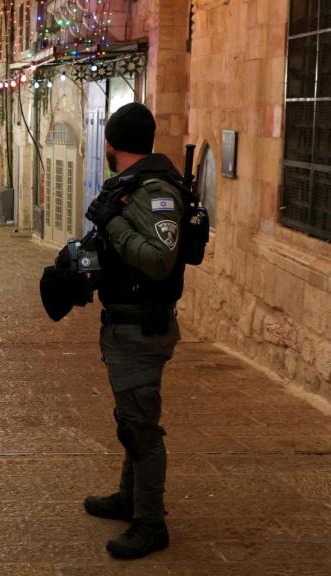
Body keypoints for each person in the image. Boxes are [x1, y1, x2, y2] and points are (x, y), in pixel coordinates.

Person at [82, 103, 186, 560]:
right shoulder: (132, 185)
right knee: (131, 419)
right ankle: (130, 497)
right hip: (125, 325)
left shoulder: (157, 191)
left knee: (142, 425)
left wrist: (113, 222)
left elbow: (160, 261)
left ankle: (150, 523)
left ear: (110, 144)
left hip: (144, 328)